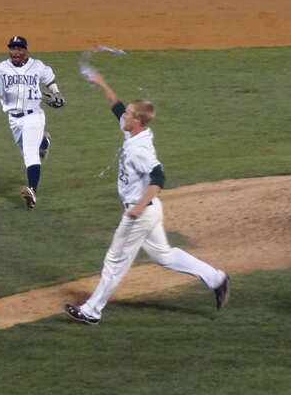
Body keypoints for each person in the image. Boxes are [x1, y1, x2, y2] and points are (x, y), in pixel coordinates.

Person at [64, 67, 229, 325]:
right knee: (163, 255)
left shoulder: (141, 150)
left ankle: (91, 311)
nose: (124, 116)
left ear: (137, 121)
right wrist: (102, 83)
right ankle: (216, 278)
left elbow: (159, 178)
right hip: (150, 210)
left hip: (141, 211)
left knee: (115, 261)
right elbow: (116, 107)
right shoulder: (133, 131)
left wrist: (137, 207)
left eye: (129, 114)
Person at [0, 35, 64, 209]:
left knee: (29, 154)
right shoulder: (0, 69)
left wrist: (56, 93)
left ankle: (32, 191)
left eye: (19, 48)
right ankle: (44, 141)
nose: (15, 52)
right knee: (29, 151)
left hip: (34, 116)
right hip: (14, 120)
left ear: (25, 51)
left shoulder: (37, 66)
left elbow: (49, 79)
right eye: (13, 48)